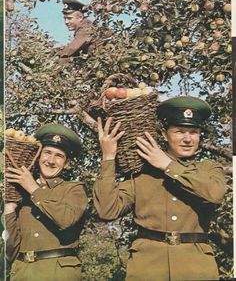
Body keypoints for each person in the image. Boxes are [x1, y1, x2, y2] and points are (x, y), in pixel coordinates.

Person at [93, 96, 227, 281]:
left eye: (194, 132)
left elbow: (215, 194)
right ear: (164, 134)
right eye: (179, 131)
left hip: (196, 267)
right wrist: (108, 158)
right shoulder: (142, 172)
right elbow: (107, 210)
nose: (187, 139)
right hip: (147, 267)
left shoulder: (209, 168)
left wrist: (167, 165)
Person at [5, 123, 88, 281]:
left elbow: (66, 219)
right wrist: (9, 210)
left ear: (67, 163)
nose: (51, 160)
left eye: (59, 156)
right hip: (23, 274)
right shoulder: (20, 193)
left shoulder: (74, 189)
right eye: (47, 153)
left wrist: (33, 189)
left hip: (58, 274)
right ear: (38, 156)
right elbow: (11, 251)